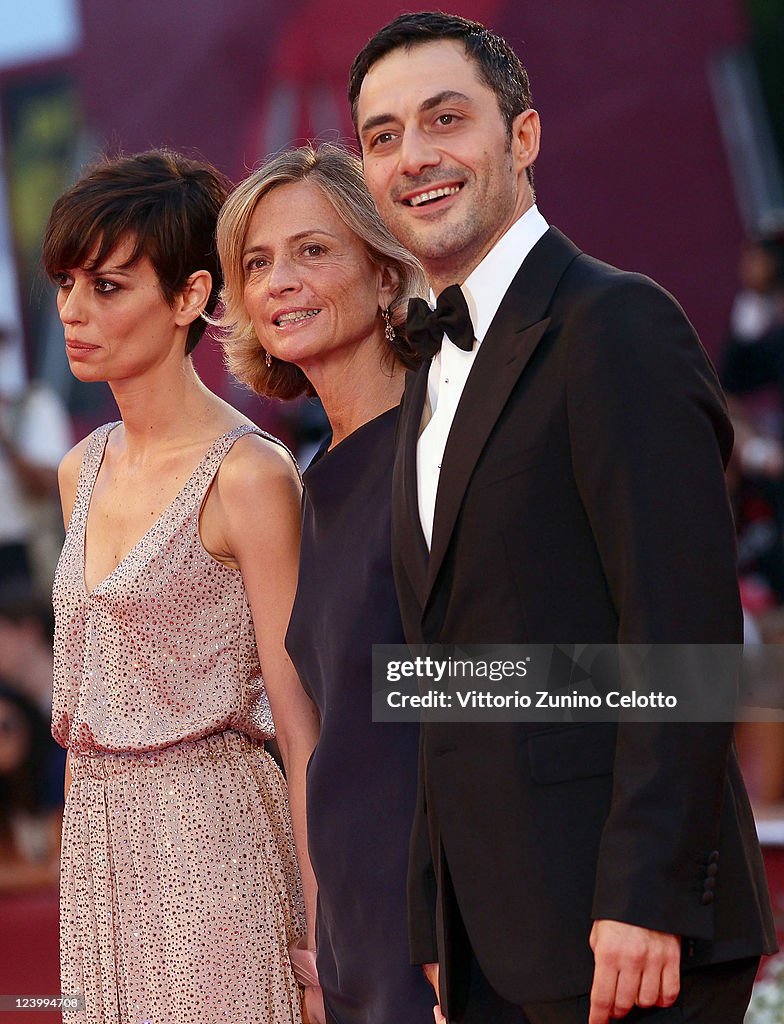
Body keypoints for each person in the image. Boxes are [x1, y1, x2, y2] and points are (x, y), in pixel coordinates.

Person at [349, 12, 777, 1024]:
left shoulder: (614, 323)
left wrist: (644, 897)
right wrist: (436, 917)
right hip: (489, 940)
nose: (414, 157)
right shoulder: (427, 372)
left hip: (624, 939)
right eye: (381, 136)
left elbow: (683, 629)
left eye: (443, 119)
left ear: (523, 137)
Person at [43, 149, 318, 1024]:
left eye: (109, 287)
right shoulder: (78, 469)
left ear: (191, 296)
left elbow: (303, 720)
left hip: (211, 839)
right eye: (66, 284)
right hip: (92, 842)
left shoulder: (250, 477)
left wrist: (325, 934)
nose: (74, 313)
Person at [215, 142, 434, 1024]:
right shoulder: (306, 483)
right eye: (257, 263)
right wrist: (321, 927)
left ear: (387, 277)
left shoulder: (443, 447)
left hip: (449, 914)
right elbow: (321, 728)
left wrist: (471, 920)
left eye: (313, 251)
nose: (280, 281)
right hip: (355, 923)